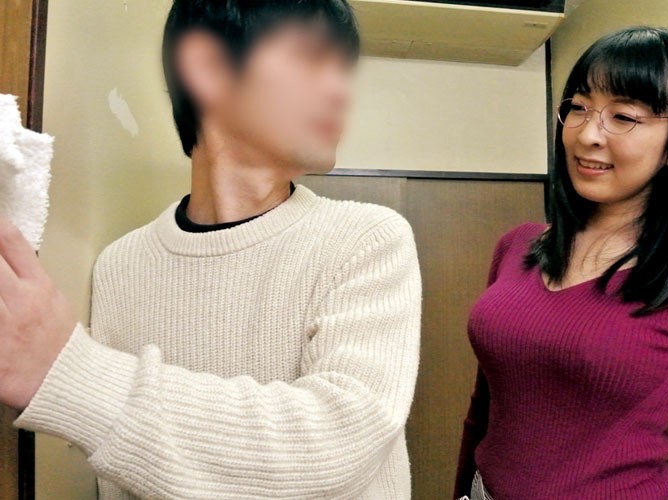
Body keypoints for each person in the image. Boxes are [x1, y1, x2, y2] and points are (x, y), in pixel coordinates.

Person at [0, 1, 423, 499]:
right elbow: (122, 477)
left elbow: (338, 441)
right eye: (312, 58)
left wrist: (70, 375)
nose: (340, 89)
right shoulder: (121, 264)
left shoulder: (367, 239)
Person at [454, 27, 668, 499]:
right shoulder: (518, 246)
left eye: (623, 116)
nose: (587, 135)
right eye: (578, 107)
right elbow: (482, 413)